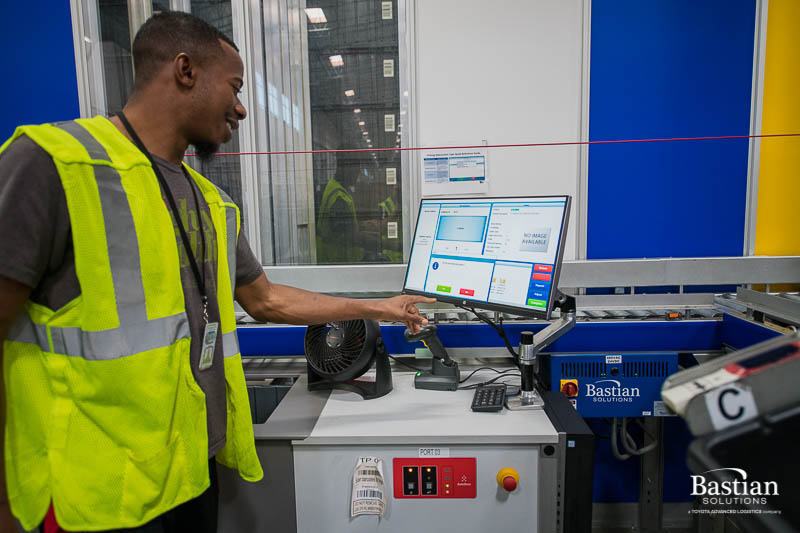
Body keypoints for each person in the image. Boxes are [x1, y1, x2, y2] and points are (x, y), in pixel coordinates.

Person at [0, 12, 432, 533]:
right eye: (234, 87)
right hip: (88, 496)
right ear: (185, 71)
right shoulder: (54, 167)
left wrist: (381, 307)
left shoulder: (210, 202)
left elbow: (267, 300)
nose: (242, 108)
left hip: (185, 474)